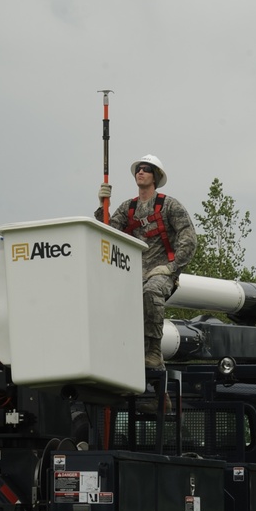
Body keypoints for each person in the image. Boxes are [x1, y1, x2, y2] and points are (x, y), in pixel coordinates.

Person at [96, 155, 197, 374]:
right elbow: (106, 235)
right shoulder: (127, 208)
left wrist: (171, 268)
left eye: (146, 169)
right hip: (131, 272)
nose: (140, 172)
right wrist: (101, 206)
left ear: (155, 176)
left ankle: (153, 350)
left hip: (160, 271)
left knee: (151, 291)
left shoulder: (169, 205)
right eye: (138, 169)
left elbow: (189, 239)